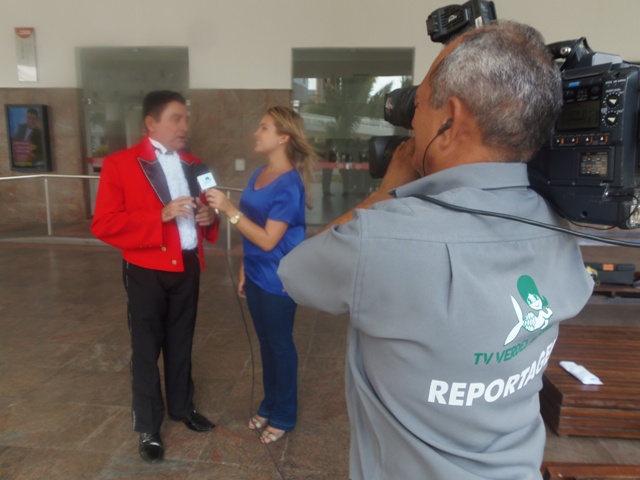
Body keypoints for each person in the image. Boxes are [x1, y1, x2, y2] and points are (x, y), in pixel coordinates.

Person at [278, 21, 594, 479]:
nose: (412, 121)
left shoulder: (380, 239)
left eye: (420, 104)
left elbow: (294, 273)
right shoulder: (560, 226)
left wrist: (383, 194)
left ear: (451, 120)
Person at [91, 90, 219, 464]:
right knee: (146, 348)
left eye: (186, 118)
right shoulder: (120, 164)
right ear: (151, 123)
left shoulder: (196, 164)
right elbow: (103, 223)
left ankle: (182, 406)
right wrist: (159, 216)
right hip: (146, 270)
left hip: (188, 267)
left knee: (182, 340)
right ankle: (148, 425)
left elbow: (210, 210)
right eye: (176, 118)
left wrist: (209, 218)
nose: (184, 126)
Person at [205, 106, 316, 444]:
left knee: (280, 345)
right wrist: (245, 266)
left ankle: (285, 414)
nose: (256, 133)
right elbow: (252, 230)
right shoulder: (259, 173)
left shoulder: (289, 184)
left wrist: (229, 209)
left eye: (264, 127)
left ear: (284, 137)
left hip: (279, 280)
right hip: (255, 273)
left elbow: (268, 239)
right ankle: (270, 402)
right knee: (266, 343)